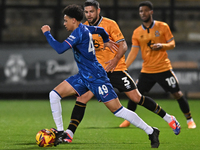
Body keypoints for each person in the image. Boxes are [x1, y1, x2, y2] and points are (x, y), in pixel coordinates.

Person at [62, 0, 180, 145]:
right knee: (81, 99)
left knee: (136, 98)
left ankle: (169, 118)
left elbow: (123, 46)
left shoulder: (110, 24)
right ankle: (69, 134)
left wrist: (114, 61)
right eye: (86, 12)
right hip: (97, 73)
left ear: (98, 11)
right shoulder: (83, 28)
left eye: (91, 11)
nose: (89, 15)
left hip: (115, 69)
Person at [41, 4, 160, 148]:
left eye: (66, 20)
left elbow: (60, 49)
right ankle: (60, 131)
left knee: (118, 111)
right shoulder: (85, 28)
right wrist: (105, 41)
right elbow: (101, 30)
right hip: (84, 76)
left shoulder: (78, 33)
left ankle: (151, 131)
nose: (64, 23)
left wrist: (47, 33)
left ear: (74, 20)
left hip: (97, 77)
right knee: (54, 95)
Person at [119, 1, 196, 129]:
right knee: (134, 94)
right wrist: (124, 66)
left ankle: (190, 120)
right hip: (147, 70)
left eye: (145, 10)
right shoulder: (137, 32)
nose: (143, 13)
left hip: (163, 68)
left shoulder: (163, 26)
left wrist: (162, 46)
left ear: (151, 12)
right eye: (140, 11)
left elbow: (172, 44)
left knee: (177, 94)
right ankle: (128, 121)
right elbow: (133, 51)